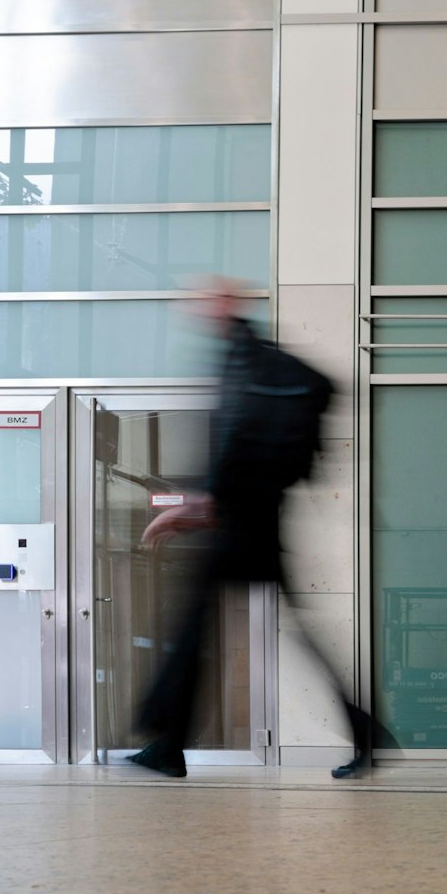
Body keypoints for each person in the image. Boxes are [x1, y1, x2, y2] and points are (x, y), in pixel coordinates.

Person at [127, 283, 379, 780]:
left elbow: (236, 437)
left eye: (205, 299)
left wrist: (198, 507)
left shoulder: (246, 360)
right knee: (222, 624)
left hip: (244, 521)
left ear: (226, 305)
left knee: (195, 621)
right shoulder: (250, 358)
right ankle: (171, 743)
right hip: (256, 517)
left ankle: (169, 744)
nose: (197, 308)